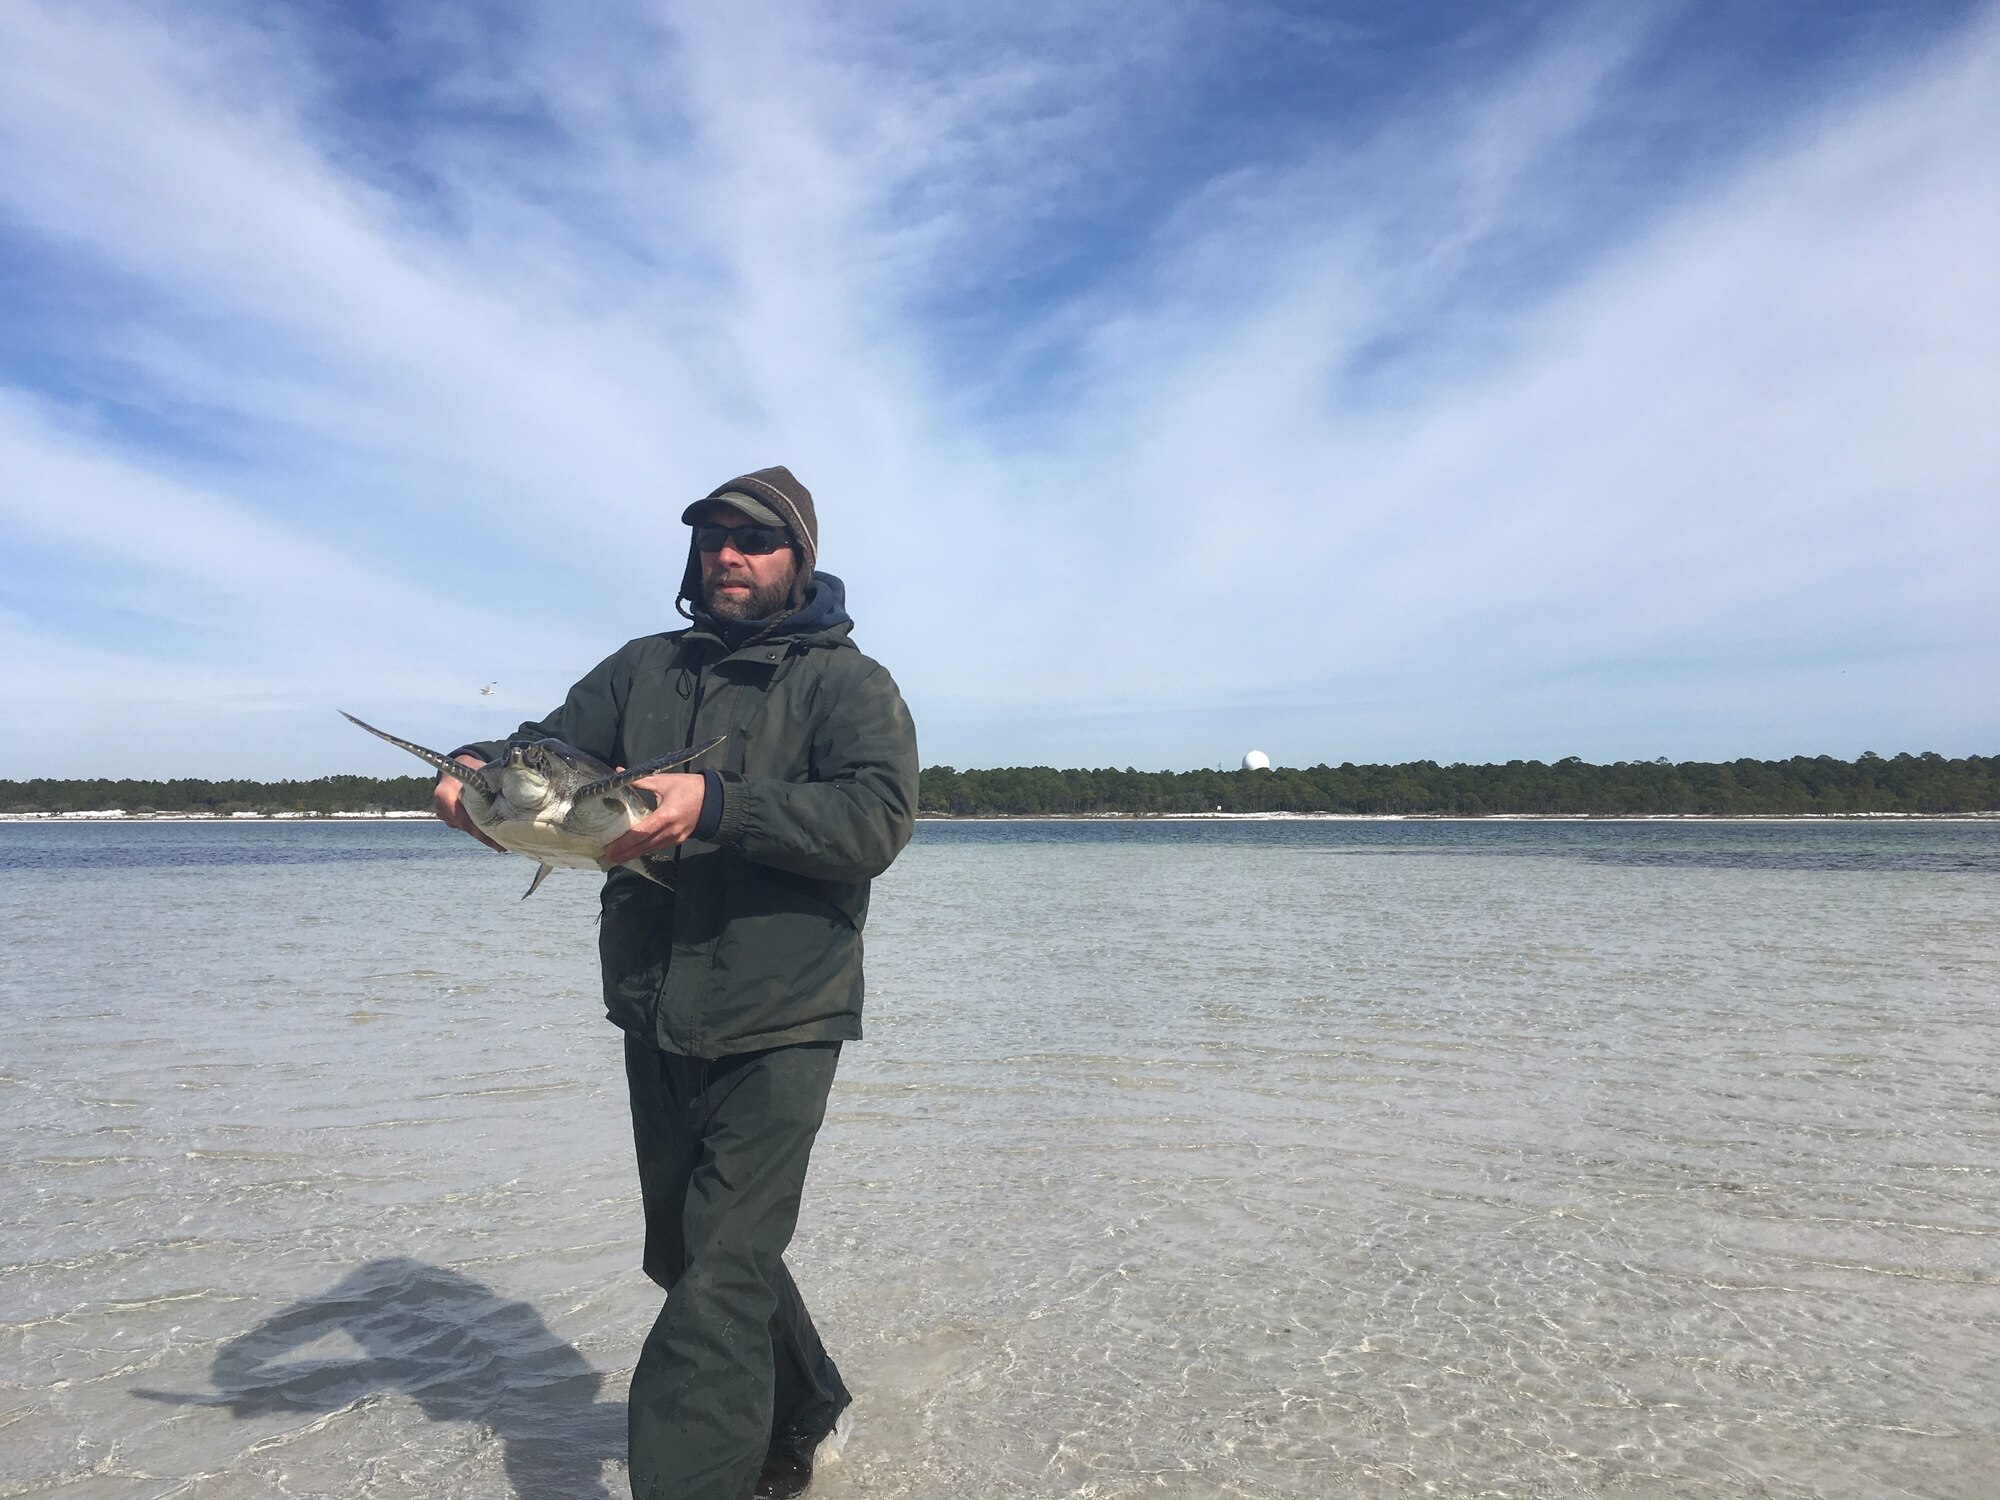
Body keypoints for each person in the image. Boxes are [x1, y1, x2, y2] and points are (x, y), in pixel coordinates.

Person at [431, 466, 919, 1500]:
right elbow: (541, 747)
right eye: (710, 537)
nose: (726, 555)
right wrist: (466, 770)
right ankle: (804, 1402)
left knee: (713, 1286)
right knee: (686, 1259)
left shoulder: (849, 684)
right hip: (653, 1003)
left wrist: (718, 803)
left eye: (753, 539)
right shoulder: (641, 668)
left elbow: (876, 824)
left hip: (786, 1014)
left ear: (801, 557)